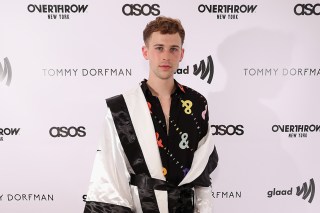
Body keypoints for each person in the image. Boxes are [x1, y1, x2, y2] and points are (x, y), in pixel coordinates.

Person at [84, 16, 218, 213]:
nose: (166, 56)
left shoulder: (197, 103)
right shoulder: (122, 108)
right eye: (159, 48)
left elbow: (202, 168)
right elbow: (111, 172)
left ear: (181, 54)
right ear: (145, 52)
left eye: (173, 49)